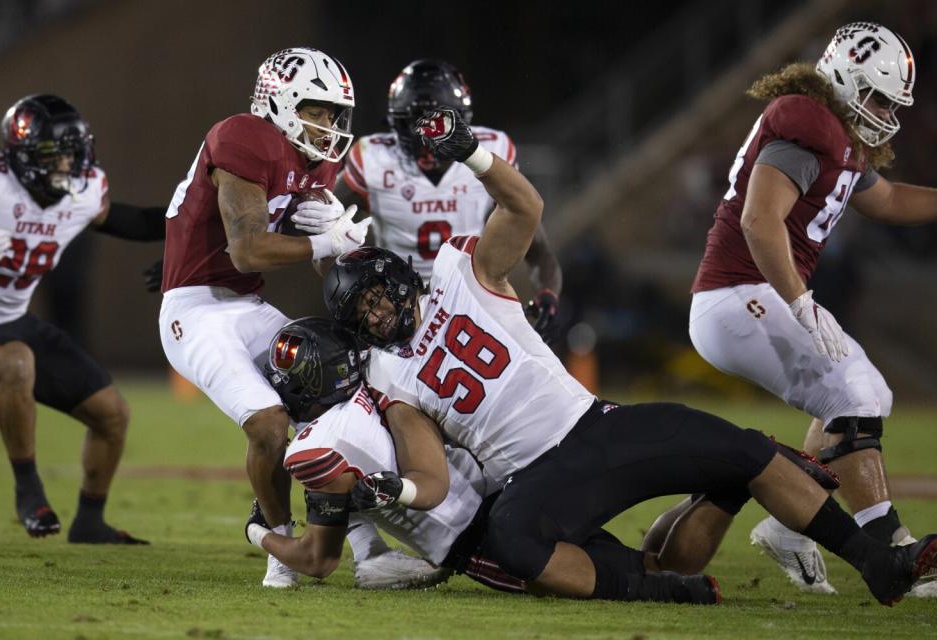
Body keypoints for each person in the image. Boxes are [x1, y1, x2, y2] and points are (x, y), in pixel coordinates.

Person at [322, 106, 937, 606]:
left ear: (397, 277)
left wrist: (471, 154)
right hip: (534, 475)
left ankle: (877, 563)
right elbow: (430, 480)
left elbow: (526, 210)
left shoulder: (463, 270)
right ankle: (655, 591)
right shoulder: (389, 376)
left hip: (594, 426)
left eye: (376, 298)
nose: (376, 315)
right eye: (363, 316)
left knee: (748, 451)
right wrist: (395, 491)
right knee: (513, 539)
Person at [684, 22, 937, 596]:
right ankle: (891, 546)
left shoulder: (838, 136)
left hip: (756, 292)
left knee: (871, 393)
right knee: (851, 393)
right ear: (843, 79)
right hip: (735, 295)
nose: (880, 110)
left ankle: (791, 520)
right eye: (873, 94)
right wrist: (799, 301)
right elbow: (758, 219)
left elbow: (890, 199)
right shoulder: (808, 126)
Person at [245, 317, 719, 603]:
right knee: (652, 565)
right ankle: (724, 489)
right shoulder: (381, 379)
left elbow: (317, 561)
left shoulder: (319, 448)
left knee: (635, 583)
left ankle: (717, 509)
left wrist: (260, 531)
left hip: (478, 542)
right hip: (522, 488)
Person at [157, 47, 373, 588]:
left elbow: (327, 271)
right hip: (194, 307)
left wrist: (340, 250)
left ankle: (370, 550)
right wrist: (322, 238)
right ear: (281, 101)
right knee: (270, 426)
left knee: (343, 393)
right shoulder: (242, 137)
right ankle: (278, 541)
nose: (328, 126)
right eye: (318, 110)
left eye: (333, 115)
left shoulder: (315, 160)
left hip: (245, 306)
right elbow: (247, 251)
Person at [0, 94, 167, 543]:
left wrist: (206, 211)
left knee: (112, 414)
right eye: (55, 155)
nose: (68, 164)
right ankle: (30, 492)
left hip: (11, 319)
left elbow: (138, 223)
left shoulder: (85, 193)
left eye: (73, 153)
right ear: (23, 157)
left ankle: (89, 521)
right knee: (18, 361)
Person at [334, 59, 561, 342]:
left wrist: (548, 295)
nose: (428, 135)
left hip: (472, 301)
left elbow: (537, 246)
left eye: (439, 124)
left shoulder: (489, 149)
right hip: (396, 309)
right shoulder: (373, 157)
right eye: (415, 124)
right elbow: (323, 212)